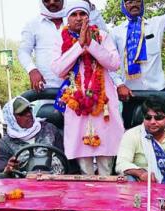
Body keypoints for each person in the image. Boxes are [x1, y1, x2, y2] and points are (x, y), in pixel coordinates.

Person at [51, 0, 124, 175]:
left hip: (103, 105)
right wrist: (79, 46)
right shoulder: (60, 40)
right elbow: (58, 69)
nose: (78, 18)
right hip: (78, 107)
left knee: (106, 163)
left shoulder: (102, 36)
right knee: (84, 166)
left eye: (82, 14)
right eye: (74, 15)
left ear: (88, 17)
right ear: (67, 19)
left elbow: (114, 64)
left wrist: (91, 44)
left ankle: (107, 196)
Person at [110, 0, 165, 128]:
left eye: (137, 1)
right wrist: (119, 84)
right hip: (132, 96)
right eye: (129, 2)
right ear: (124, 6)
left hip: (159, 94)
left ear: (142, 3)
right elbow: (108, 65)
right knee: (131, 138)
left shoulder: (156, 24)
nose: (134, 5)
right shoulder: (116, 32)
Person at [115, 97, 165, 211]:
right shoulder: (132, 135)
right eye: (148, 117)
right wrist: (141, 173)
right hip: (145, 189)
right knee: (129, 180)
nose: (153, 122)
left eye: (158, 117)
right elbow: (121, 164)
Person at [18, 0, 107, 92]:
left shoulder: (76, 19)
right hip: (46, 89)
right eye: (46, 0)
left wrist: (90, 6)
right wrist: (32, 70)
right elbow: (23, 51)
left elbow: (102, 36)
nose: (52, 2)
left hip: (78, 89)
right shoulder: (32, 24)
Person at [0, 96, 63, 174]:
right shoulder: (5, 144)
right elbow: (0, 176)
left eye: (29, 109)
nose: (28, 114)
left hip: (55, 182)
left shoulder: (50, 130)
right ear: (11, 118)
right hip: (22, 185)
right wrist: (8, 170)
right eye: (22, 113)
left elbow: (65, 159)